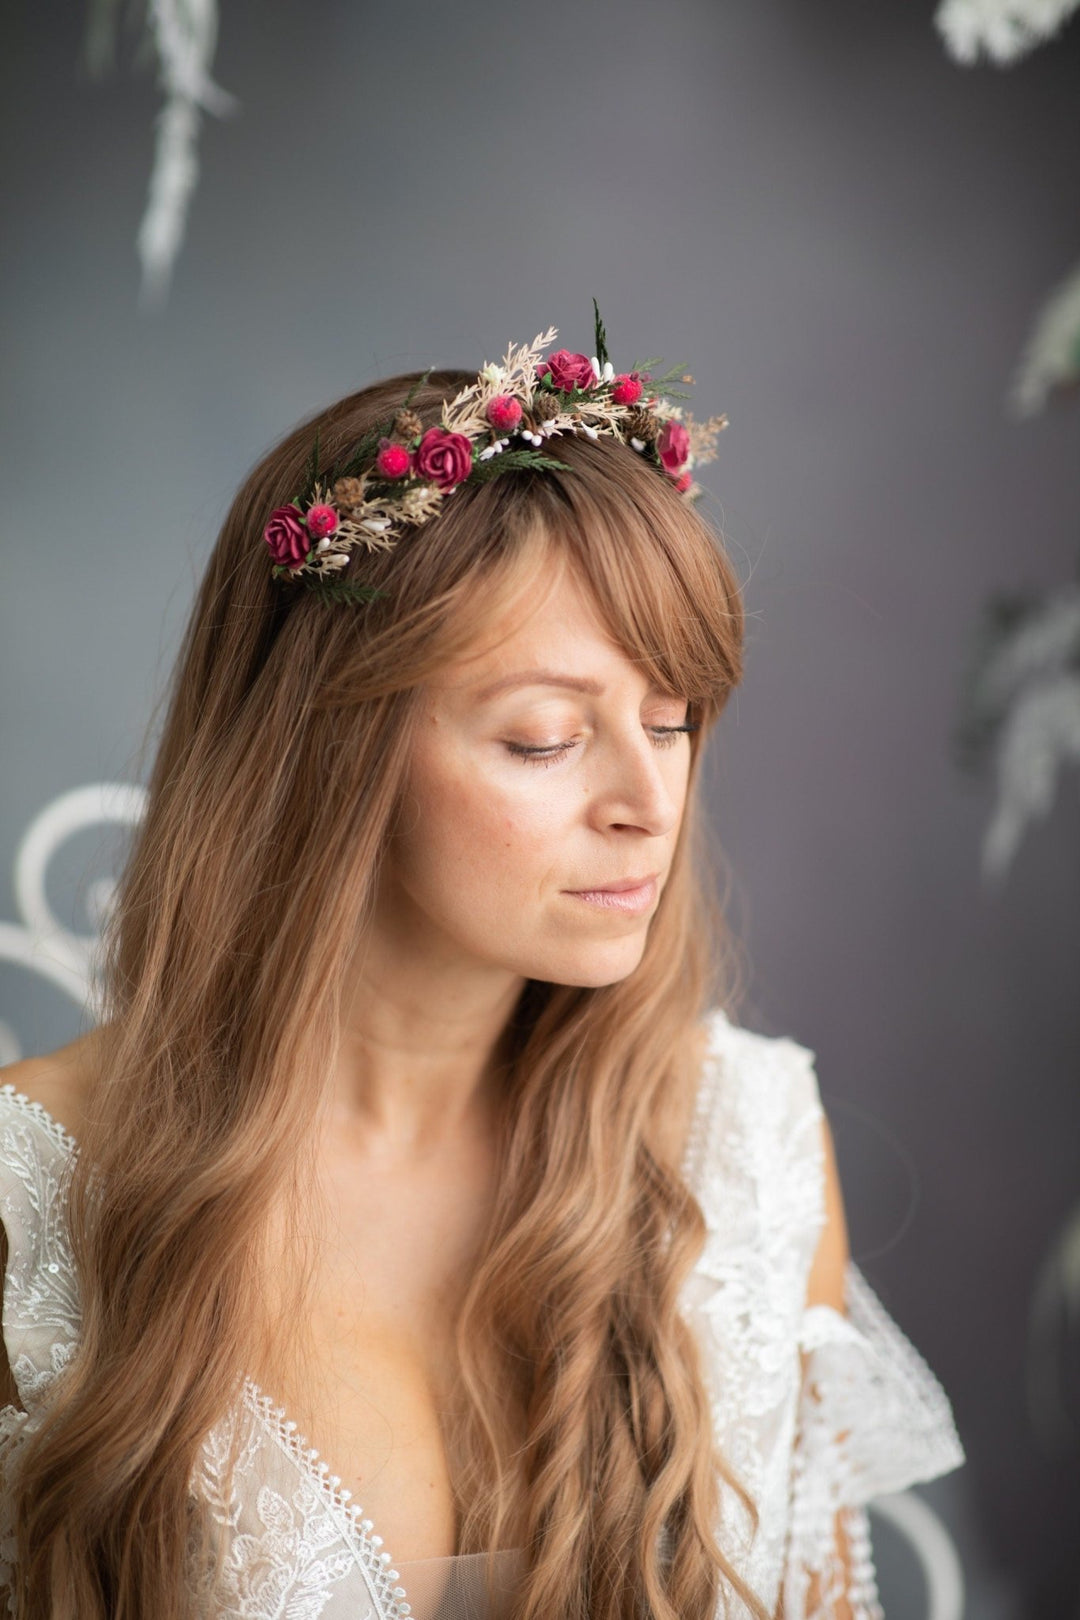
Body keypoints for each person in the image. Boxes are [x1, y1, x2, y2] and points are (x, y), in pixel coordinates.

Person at [0, 319, 964, 1619]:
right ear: (329, 754)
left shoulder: (745, 1144)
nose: (649, 802)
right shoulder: (35, 1191)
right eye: (545, 739)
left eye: (673, 721)